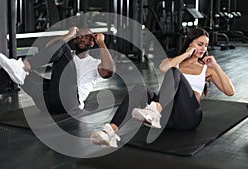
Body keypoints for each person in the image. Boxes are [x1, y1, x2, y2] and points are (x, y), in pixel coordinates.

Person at [91, 28, 235, 147]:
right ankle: (109, 132)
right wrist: (186, 54)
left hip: (189, 117)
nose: (204, 48)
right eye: (200, 44)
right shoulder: (176, 62)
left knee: (174, 73)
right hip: (168, 119)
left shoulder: (206, 69)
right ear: (190, 43)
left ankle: (155, 111)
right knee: (140, 88)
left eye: (206, 45)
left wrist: (215, 66)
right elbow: (163, 67)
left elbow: (230, 91)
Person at [0, 27, 115, 122]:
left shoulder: (94, 63)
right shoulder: (67, 53)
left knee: (61, 50)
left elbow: (108, 71)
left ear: (92, 42)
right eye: (80, 37)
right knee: (10, 69)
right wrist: (69, 35)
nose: (83, 40)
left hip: (69, 104)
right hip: (47, 101)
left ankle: (23, 66)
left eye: (88, 38)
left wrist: (101, 41)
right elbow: (49, 47)